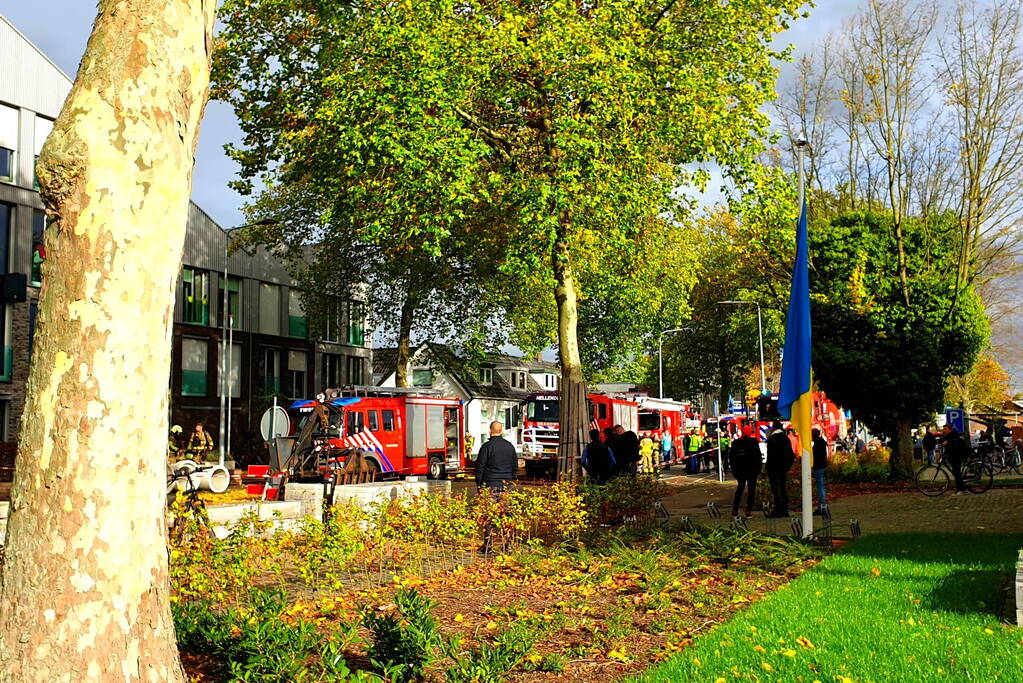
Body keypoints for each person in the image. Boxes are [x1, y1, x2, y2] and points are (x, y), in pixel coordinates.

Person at [475, 421, 517, 493]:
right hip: (507, 482)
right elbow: (515, 465)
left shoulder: (486, 446)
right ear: (501, 431)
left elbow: (480, 466)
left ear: (490, 431)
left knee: (491, 504)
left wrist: (479, 484)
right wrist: (512, 478)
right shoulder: (510, 446)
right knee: (505, 504)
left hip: (490, 482)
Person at [729, 425, 762, 518]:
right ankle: (748, 510)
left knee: (740, 489)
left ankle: (735, 509)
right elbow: (758, 456)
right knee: (751, 490)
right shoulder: (754, 442)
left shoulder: (736, 443)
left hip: (741, 470)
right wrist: (758, 468)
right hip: (752, 470)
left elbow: (732, 457)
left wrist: (734, 470)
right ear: (750, 432)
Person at [766, 420, 794, 517]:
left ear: (774, 428)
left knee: (775, 489)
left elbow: (770, 456)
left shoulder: (772, 439)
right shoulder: (786, 439)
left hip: (773, 467)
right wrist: (787, 466)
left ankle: (778, 510)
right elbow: (791, 455)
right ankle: (785, 510)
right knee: (783, 488)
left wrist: (768, 467)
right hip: (783, 468)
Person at [939, 423, 970, 495]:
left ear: (950, 429)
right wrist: (943, 437)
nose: (944, 430)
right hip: (952, 456)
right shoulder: (947, 435)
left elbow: (954, 443)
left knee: (956, 472)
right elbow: (941, 441)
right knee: (955, 472)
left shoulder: (954, 434)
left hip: (957, 455)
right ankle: (959, 487)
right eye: (943, 429)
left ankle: (963, 489)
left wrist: (948, 442)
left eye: (945, 429)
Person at [811, 428, 828, 513]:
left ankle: (822, 507)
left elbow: (816, 456)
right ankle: (822, 506)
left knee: (820, 488)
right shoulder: (821, 442)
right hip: (823, 466)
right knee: (822, 488)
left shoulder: (817, 444)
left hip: (819, 467)